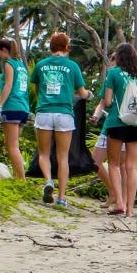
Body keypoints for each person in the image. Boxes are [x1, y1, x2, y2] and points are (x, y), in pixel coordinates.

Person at [31, 33, 88, 206]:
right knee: (63, 157)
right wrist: (89, 95)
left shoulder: (41, 65)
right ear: (67, 48)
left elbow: (36, 87)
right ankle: (62, 198)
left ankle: (48, 181)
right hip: (64, 114)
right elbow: (82, 93)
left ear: (51, 47)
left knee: (43, 153)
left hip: (44, 113)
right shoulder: (72, 66)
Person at [99, 42, 137, 216]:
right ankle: (130, 210)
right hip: (136, 125)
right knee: (131, 167)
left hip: (116, 122)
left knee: (114, 165)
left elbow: (107, 102)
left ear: (120, 56)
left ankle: (120, 203)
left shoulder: (114, 73)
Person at [0, 38, 30, 180]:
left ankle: (21, 180)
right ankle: (16, 176)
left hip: (12, 106)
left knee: (12, 146)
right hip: (23, 108)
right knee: (12, 144)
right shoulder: (21, 65)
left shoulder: (9, 64)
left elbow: (8, 86)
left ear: (4, 50)